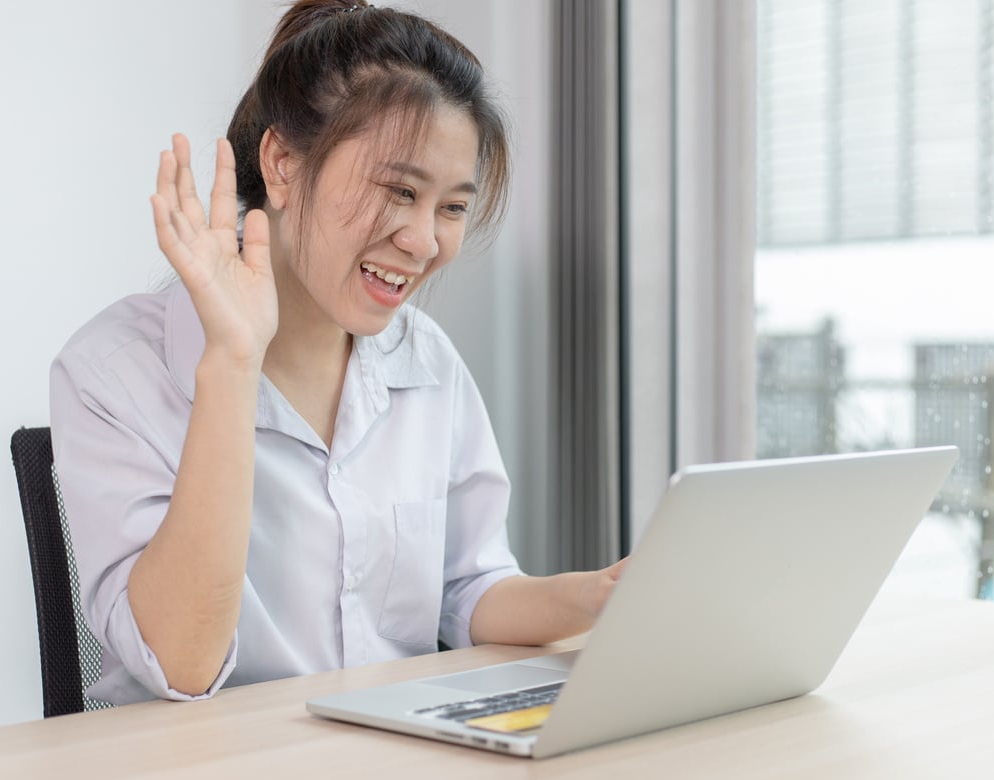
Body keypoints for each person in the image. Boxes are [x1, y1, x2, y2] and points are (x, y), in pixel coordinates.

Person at [50, 0, 625, 706]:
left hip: (392, 747)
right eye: (399, 191)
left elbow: (471, 589)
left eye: (450, 207)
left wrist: (598, 596)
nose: (423, 240)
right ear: (285, 164)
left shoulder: (427, 361)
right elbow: (183, 663)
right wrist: (234, 358)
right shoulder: (114, 371)